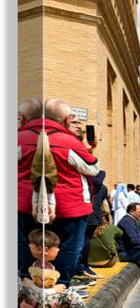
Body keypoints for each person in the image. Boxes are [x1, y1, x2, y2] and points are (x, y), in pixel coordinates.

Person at [17, 97, 101, 289]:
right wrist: (87, 150)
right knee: (68, 248)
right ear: (64, 120)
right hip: (70, 207)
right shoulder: (70, 142)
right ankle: (60, 286)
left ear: (22, 118)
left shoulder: (18, 139)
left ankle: (27, 284)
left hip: (24, 204)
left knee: (29, 246)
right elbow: (93, 168)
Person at [18, 229, 128, 308]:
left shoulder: (39, 265)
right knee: (71, 295)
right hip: (41, 298)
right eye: (56, 247)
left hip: (36, 301)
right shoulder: (38, 267)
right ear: (44, 249)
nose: (59, 250)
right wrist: (53, 290)